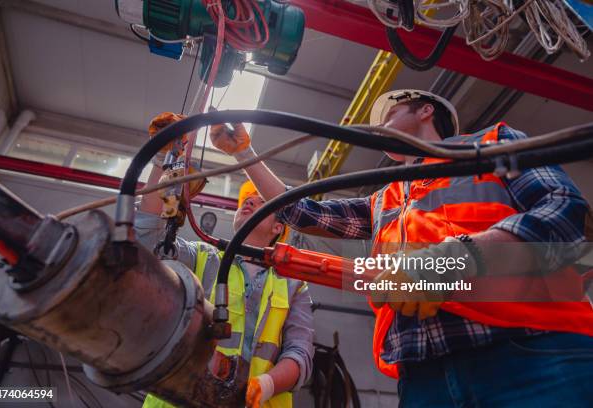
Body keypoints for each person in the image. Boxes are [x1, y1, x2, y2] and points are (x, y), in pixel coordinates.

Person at [209, 90, 593, 407]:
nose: (379, 126)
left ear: (426, 109)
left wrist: (461, 258)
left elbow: (564, 209)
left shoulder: (491, 145)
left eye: (389, 113)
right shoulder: (385, 198)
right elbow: (302, 210)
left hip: (533, 354)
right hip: (424, 377)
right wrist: (245, 153)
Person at [136, 113, 314, 408]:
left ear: (277, 228)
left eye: (262, 201)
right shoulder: (203, 257)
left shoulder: (294, 285)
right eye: (246, 199)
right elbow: (148, 241)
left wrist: (265, 385)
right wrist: (161, 160)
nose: (250, 201)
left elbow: (300, 353)